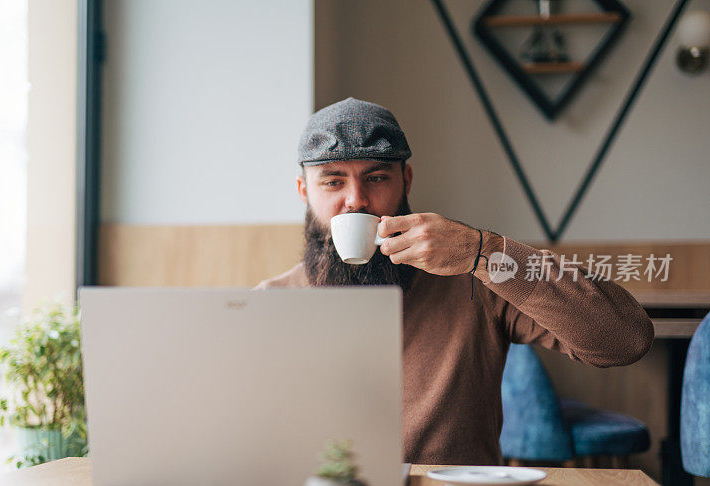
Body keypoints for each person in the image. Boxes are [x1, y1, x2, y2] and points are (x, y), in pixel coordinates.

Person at [255, 97, 654, 465]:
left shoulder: (477, 279)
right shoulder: (269, 306)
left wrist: (485, 252)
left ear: (406, 182)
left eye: (376, 178)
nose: (356, 200)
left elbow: (625, 339)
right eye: (333, 181)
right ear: (304, 192)